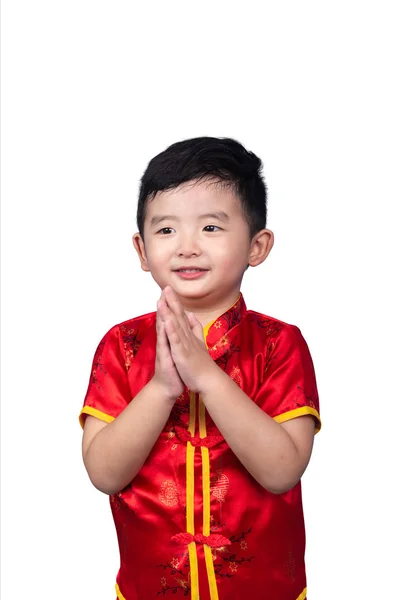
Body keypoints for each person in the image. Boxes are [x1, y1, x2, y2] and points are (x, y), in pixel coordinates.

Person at [79, 137, 321, 600]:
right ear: (142, 249)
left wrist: (207, 376)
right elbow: (104, 475)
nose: (187, 247)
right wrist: (161, 386)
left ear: (257, 245)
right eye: (166, 230)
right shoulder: (122, 345)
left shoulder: (279, 344)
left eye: (211, 228)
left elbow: (282, 470)